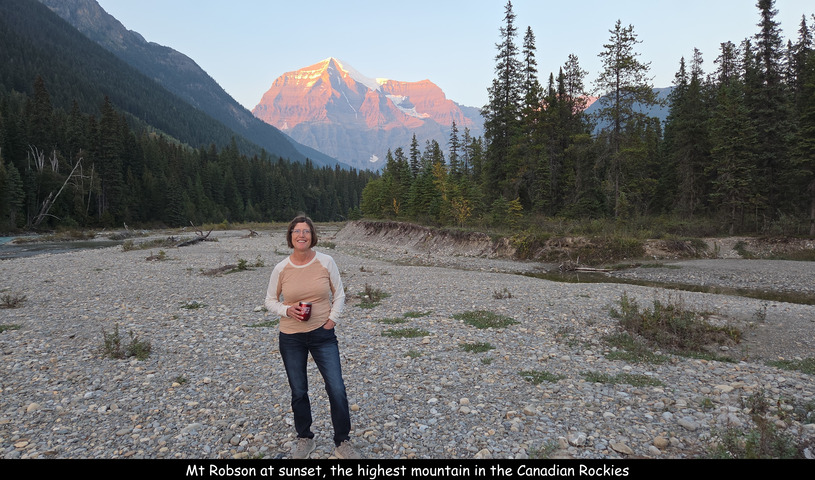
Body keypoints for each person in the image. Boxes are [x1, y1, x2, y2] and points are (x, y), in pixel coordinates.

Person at [264, 215, 360, 459]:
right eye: (297, 231)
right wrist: (287, 310)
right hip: (291, 337)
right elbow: (269, 301)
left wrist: (332, 320)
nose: (301, 235)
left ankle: (342, 442)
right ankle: (305, 438)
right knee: (298, 390)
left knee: (336, 387)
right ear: (290, 236)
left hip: (322, 334)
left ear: (312, 236)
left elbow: (339, 294)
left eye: (306, 231)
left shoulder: (326, 261)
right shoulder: (281, 268)